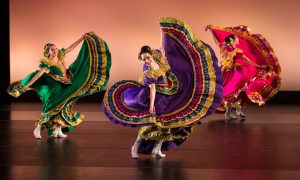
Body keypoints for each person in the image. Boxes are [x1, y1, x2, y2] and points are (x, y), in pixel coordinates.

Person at [102, 17, 223, 158]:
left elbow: (162, 47)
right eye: (144, 58)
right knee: (154, 124)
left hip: (167, 93)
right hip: (155, 97)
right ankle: (135, 147)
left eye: (148, 57)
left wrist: (162, 31)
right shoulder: (148, 71)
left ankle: (156, 150)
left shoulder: (159, 59)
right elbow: (152, 89)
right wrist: (152, 106)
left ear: (151, 55)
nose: (147, 60)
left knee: (168, 125)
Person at [8, 32, 111, 138]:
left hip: (65, 85)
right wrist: (26, 86)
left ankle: (58, 129)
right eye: (52, 49)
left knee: (66, 105)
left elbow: (71, 47)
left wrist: (81, 38)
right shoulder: (47, 63)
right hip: (55, 88)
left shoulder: (60, 57)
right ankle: (38, 128)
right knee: (53, 106)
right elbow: (38, 75)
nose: (55, 50)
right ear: (48, 52)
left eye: (55, 48)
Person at [206, 25, 281, 120]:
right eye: (236, 40)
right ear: (232, 41)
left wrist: (259, 66)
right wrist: (212, 30)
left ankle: (237, 108)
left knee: (236, 92)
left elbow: (247, 60)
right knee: (226, 93)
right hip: (226, 73)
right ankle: (230, 112)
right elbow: (217, 41)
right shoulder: (224, 48)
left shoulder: (237, 51)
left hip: (236, 73)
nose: (237, 41)